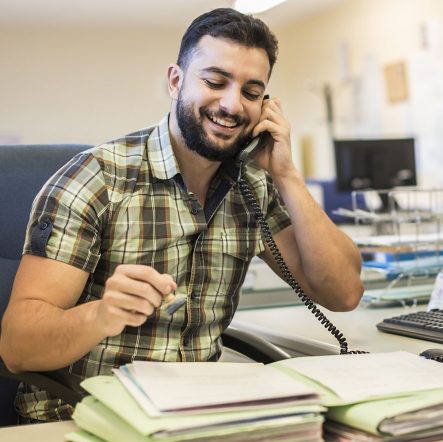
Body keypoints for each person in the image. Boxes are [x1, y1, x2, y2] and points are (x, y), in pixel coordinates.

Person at [0, 8, 364, 422]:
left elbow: (343, 293)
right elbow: (17, 347)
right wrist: (101, 314)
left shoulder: (254, 185)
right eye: (214, 81)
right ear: (176, 81)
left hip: (194, 418)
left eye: (251, 91)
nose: (231, 104)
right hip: (81, 418)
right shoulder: (97, 179)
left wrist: (287, 174)